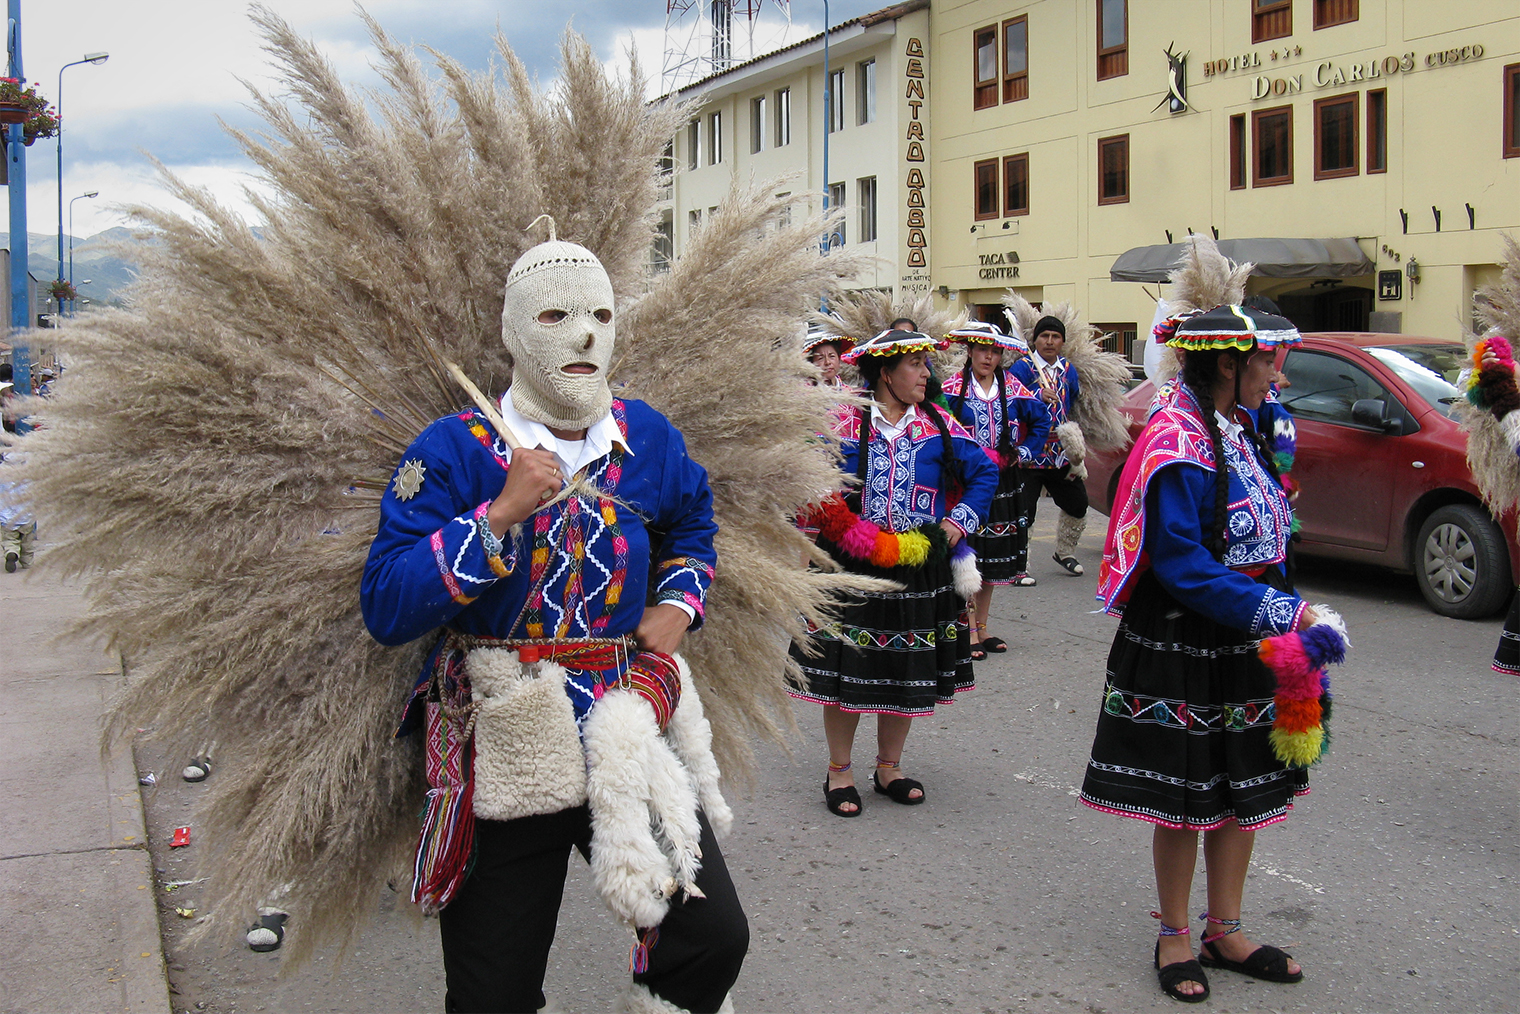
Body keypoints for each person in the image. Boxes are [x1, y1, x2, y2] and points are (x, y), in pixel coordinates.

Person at [362, 230, 747, 1014]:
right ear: (513, 332)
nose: (584, 334)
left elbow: (694, 522)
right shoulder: (451, 452)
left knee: (712, 936)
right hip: (507, 737)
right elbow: (386, 605)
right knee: (492, 993)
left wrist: (678, 605)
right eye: (557, 317)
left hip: (625, 719)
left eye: (602, 315)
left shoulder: (648, 440)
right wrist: (496, 516)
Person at [1083, 305, 1337, 1003]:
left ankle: (1225, 929)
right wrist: (1279, 611)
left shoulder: (1239, 426)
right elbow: (1180, 563)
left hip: (1250, 640)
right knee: (1186, 796)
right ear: (1227, 362)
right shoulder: (1177, 440)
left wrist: (1292, 634)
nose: (1276, 375)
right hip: (1189, 639)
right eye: (1266, 360)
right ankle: (1173, 933)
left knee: (1241, 791)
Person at [791, 329, 996, 816]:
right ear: (885, 372)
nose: (927, 373)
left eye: (927, 365)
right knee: (847, 670)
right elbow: (804, 472)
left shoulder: (938, 425)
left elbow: (984, 472)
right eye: (916, 366)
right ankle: (839, 771)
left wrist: (955, 524)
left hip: (917, 565)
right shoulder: (842, 419)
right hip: (850, 560)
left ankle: (889, 768)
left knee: (904, 666)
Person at [941, 321, 1052, 659]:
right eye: (981, 350)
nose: (987, 357)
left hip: (1003, 482)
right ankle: (966, 628)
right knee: (968, 555)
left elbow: (1042, 420)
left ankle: (983, 627)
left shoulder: (1014, 388)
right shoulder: (952, 388)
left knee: (991, 558)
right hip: (967, 483)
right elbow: (939, 426)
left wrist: (1025, 452)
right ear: (970, 352)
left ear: (1000, 355)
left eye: (994, 351)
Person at [1009, 315, 1089, 580]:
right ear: (1035, 340)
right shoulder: (1023, 368)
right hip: (1031, 453)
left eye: (1055, 337)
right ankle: (1020, 566)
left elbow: (1073, 400)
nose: (1050, 341)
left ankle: (1065, 552)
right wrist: (1035, 395)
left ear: (1063, 341)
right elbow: (1009, 401)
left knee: (1078, 504)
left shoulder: (1068, 370)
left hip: (1060, 454)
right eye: (1045, 336)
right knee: (1024, 511)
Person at [0, 450, 34, 572]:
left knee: (9, 540)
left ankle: (11, 552)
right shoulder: (28, 470)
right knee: (27, 542)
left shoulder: (2, 470)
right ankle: (27, 563)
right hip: (26, 514)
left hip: (6, 516)